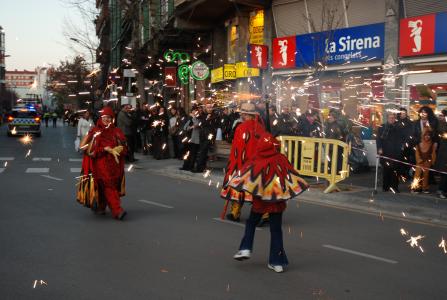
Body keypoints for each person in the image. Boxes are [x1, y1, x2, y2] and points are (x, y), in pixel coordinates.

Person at [221, 102, 308, 273]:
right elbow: (293, 178)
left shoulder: (256, 161)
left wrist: (236, 180)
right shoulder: (280, 158)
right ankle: (277, 262)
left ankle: (245, 247)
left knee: (251, 223)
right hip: (278, 203)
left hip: (260, 201)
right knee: (276, 231)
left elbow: (244, 172)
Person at [80, 106, 127, 220]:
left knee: (106, 186)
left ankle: (100, 206)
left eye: (109, 118)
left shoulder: (117, 131)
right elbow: (86, 148)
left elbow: (125, 147)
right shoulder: (95, 131)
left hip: (114, 165)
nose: (107, 120)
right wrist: (104, 149)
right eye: (105, 117)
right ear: (101, 118)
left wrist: (119, 149)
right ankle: (117, 210)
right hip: (100, 164)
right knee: (109, 185)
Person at [377, 113, 403, 193]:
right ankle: (386, 187)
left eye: (393, 118)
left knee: (395, 170)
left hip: (395, 152)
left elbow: (401, 138)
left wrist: (401, 146)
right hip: (386, 151)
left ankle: (394, 187)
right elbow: (378, 139)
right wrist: (379, 148)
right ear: (387, 118)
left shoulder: (398, 127)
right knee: (386, 170)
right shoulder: (382, 127)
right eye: (390, 118)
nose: (392, 119)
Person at [194, 103, 218, 173]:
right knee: (202, 151)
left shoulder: (214, 116)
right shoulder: (203, 115)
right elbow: (200, 122)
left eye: (210, 107)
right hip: (202, 135)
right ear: (205, 108)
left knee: (203, 151)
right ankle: (202, 167)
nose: (210, 109)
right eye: (208, 107)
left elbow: (213, 125)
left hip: (209, 136)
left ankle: (199, 167)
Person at [411, 128, 436, 194]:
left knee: (426, 176)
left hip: (427, 163)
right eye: (425, 135)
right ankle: (414, 188)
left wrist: (432, 162)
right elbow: (417, 154)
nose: (427, 137)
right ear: (423, 136)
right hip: (420, 163)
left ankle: (425, 188)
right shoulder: (419, 144)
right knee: (417, 175)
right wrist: (419, 160)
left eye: (428, 135)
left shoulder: (432, 145)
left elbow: (433, 154)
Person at [180, 106, 201, 171]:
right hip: (188, 138)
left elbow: (197, 125)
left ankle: (191, 167)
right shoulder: (189, 119)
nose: (194, 112)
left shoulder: (198, 118)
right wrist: (190, 127)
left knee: (193, 154)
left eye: (195, 111)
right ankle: (185, 166)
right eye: (193, 111)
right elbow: (185, 127)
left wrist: (194, 118)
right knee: (187, 153)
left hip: (194, 139)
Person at [435, 110, 447, 198]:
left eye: (442, 116)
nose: (440, 117)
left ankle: (443, 191)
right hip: (443, 153)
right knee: (444, 173)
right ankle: (441, 191)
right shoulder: (440, 125)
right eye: (440, 115)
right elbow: (442, 134)